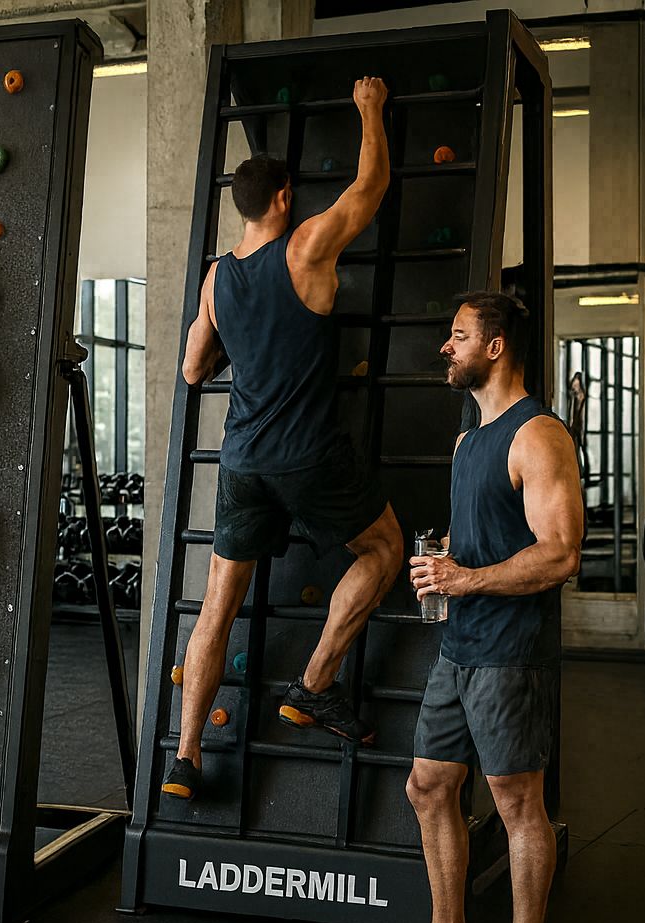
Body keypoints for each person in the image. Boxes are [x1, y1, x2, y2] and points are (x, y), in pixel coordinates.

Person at [163, 77, 405, 800]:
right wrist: (368, 107)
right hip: (307, 455)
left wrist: (241, 340)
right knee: (386, 547)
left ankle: (186, 756)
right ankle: (313, 683)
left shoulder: (215, 278)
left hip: (240, 462)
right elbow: (371, 185)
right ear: (283, 197)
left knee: (217, 605)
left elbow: (191, 367)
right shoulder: (303, 247)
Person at [367, 292, 580, 923]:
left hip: (509, 654)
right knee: (428, 786)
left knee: (519, 806)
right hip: (459, 648)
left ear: (494, 347)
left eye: (457, 336)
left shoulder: (539, 436)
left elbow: (560, 554)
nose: (444, 347)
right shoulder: (469, 440)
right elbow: (484, 539)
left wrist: (465, 578)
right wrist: (449, 564)